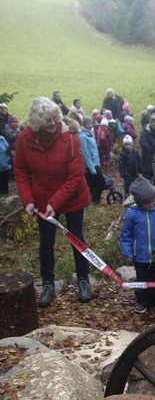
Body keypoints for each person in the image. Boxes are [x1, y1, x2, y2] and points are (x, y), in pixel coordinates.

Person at [14, 97, 92, 307]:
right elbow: (21, 171)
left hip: (72, 196)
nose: (53, 123)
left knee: (77, 239)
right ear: (37, 121)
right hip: (41, 198)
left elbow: (75, 177)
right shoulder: (25, 139)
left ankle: (83, 280)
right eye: (48, 120)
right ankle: (48, 283)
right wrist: (28, 200)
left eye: (55, 118)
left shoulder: (72, 140)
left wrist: (55, 203)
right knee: (46, 243)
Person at [119, 177, 155, 314]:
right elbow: (126, 235)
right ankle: (142, 302)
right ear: (139, 202)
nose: (151, 205)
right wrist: (128, 252)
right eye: (147, 203)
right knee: (142, 280)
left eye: (152, 200)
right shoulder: (132, 213)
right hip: (140, 256)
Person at [78, 116, 104, 204]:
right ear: (84, 125)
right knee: (101, 182)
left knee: (94, 183)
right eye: (87, 124)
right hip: (90, 165)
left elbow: (94, 149)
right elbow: (86, 153)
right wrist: (92, 168)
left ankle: (95, 200)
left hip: (95, 162)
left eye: (91, 123)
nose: (89, 125)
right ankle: (95, 199)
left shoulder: (91, 134)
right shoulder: (82, 136)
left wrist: (98, 161)